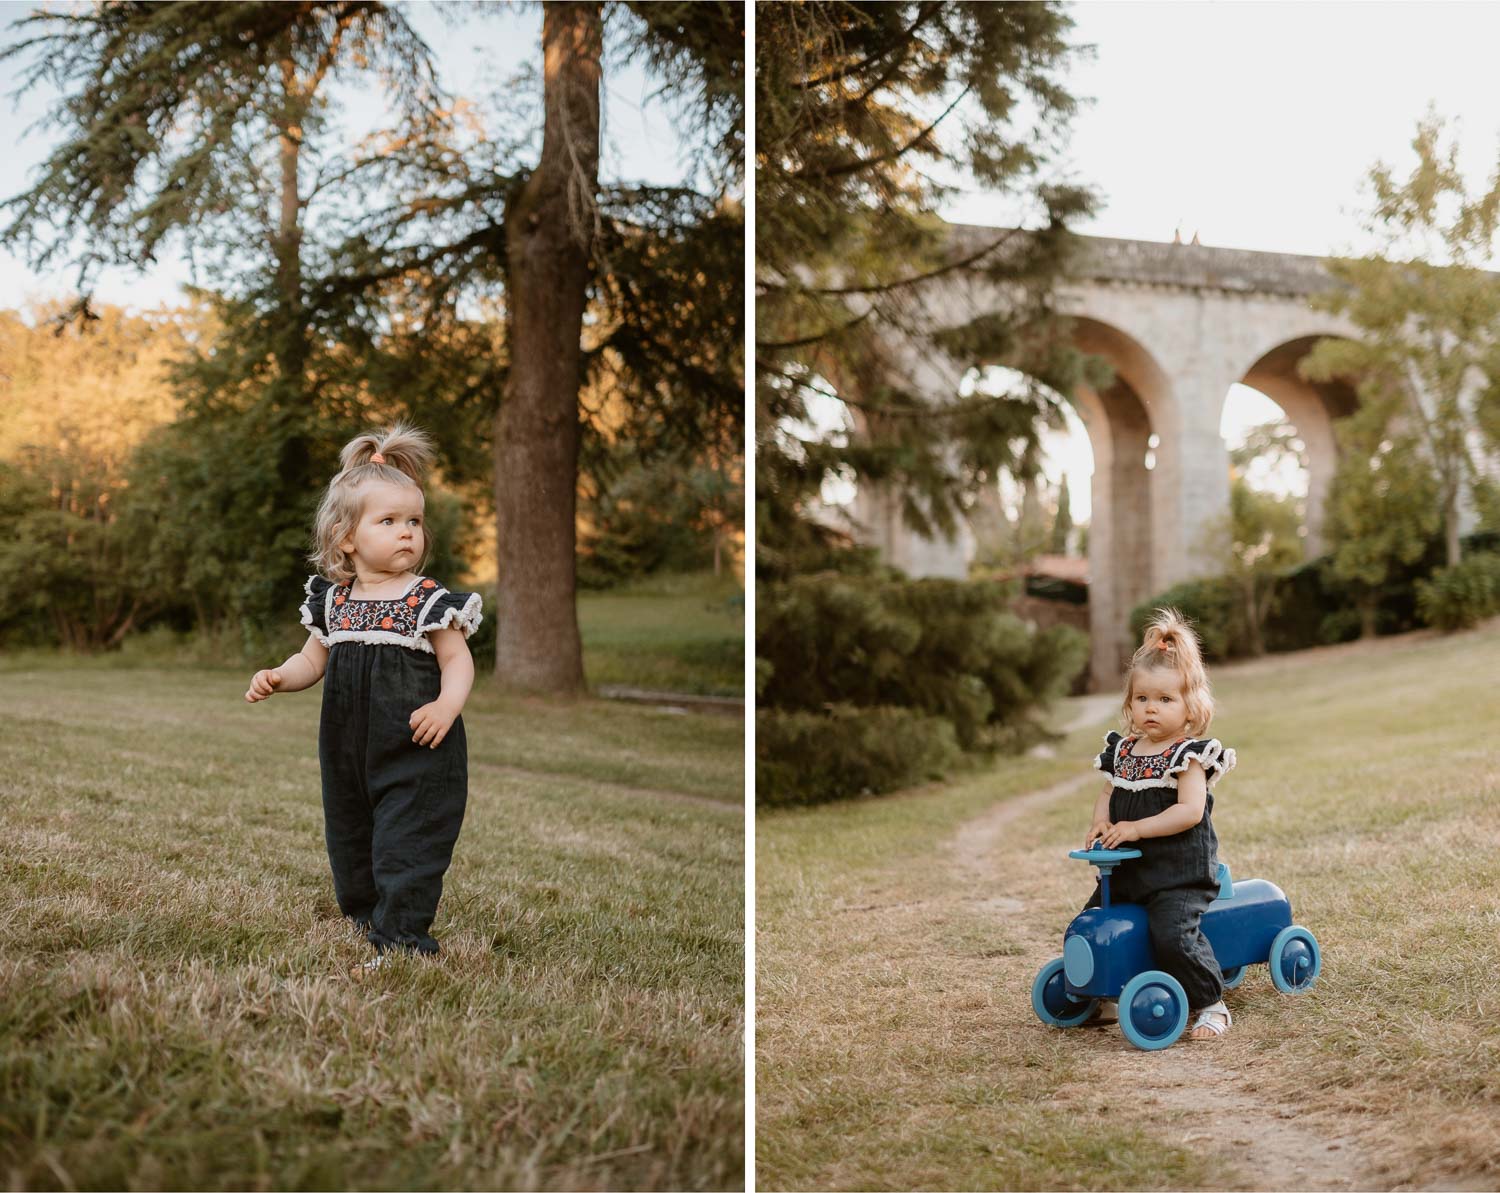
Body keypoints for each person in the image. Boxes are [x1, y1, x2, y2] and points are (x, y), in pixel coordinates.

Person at [244, 423, 483, 974]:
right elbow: (312, 661)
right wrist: (279, 676)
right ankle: (365, 917)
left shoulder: (426, 601)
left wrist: (448, 705)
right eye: (390, 521)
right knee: (351, 839)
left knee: (407, 842)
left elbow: (457, 659)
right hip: (347, 751)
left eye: (415, 522)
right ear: (346, 537)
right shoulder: (336, 603)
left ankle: (401, 941)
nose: (407, 533)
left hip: (416, 750)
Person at [1083, 608, 1237, 1041]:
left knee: (1172, 934)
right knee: (1093, 920)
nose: (1152, 709)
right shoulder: (1126, 751)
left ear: (1191, 706)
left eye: (1166, 700)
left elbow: (1189, 811)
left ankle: (1211, 1003)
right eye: (1142, 699)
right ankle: (1104, 991)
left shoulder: (1187, 757)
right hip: (1130, 872)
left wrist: (1135, 829)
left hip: (1178, 875)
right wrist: (1101, 822)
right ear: (1130, 702)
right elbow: (1109, 794)